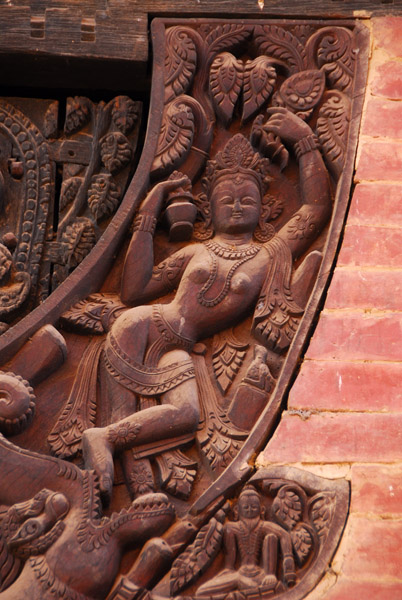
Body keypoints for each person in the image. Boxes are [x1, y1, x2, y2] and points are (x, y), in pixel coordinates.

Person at [83, 108, 331, 501]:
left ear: (264, 209)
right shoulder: (196, 252)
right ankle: (131, 498)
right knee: (123, 414)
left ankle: (104, 439)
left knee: (186, 416)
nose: (236, 205)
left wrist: (304, 142)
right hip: (141, 326)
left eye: (247, 198)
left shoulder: (269, 256)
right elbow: (133, 290)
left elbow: (315, 209)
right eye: (226, 199)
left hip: (180, 348)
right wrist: (149, 213)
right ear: (208, 208)